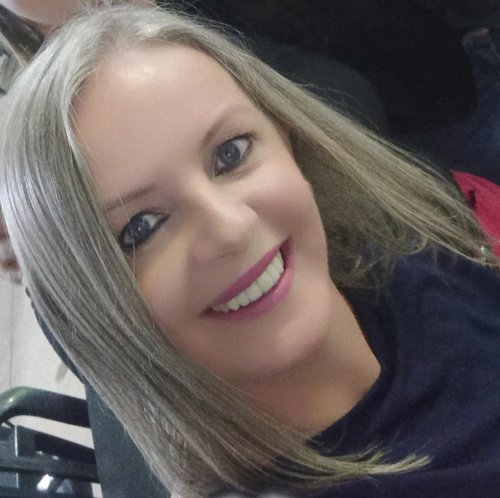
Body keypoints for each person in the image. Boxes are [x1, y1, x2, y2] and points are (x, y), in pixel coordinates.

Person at [1, 5, 500, 497]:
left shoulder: (415, 254)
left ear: (285, 133)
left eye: (230, 153)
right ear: (95, 312)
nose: (231, 228)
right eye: (141, 228)